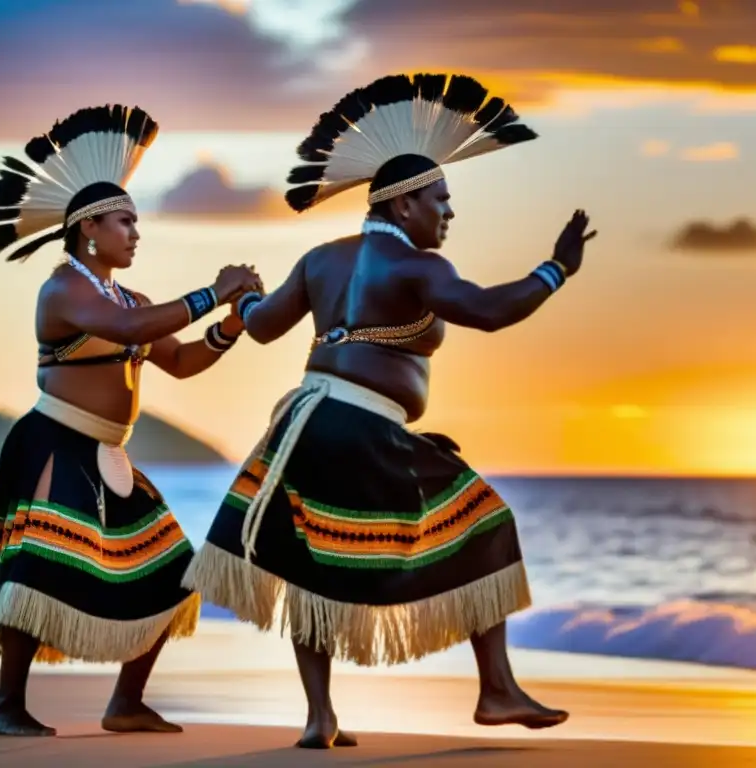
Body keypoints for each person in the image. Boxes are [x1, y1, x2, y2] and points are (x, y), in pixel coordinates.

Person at [183, 72, 596, 749]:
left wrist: (241, 298)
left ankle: (320, 718)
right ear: (404, 207)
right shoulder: (420, 269)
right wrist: (556, 269)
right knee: (489, 521)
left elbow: (261, 327)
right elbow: (492, 311)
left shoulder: (322, 260)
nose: (449, 214)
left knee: (307, 562)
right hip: (359, 424)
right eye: (441, 200)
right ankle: (495, 690)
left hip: (304, 424)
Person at [0, 104, 263, 737]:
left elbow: (179, 361)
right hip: (52, 442)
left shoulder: (131, 299)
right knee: (39, 569)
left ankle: (125, 702)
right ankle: (5, 706)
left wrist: (230, 324)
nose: (136, 233)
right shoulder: (62, 291)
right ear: (88, 230)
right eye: (125, 222)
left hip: (109, 453)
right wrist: (212, 291)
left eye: (136, 222)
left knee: (175, 570)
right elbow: (130, 332)